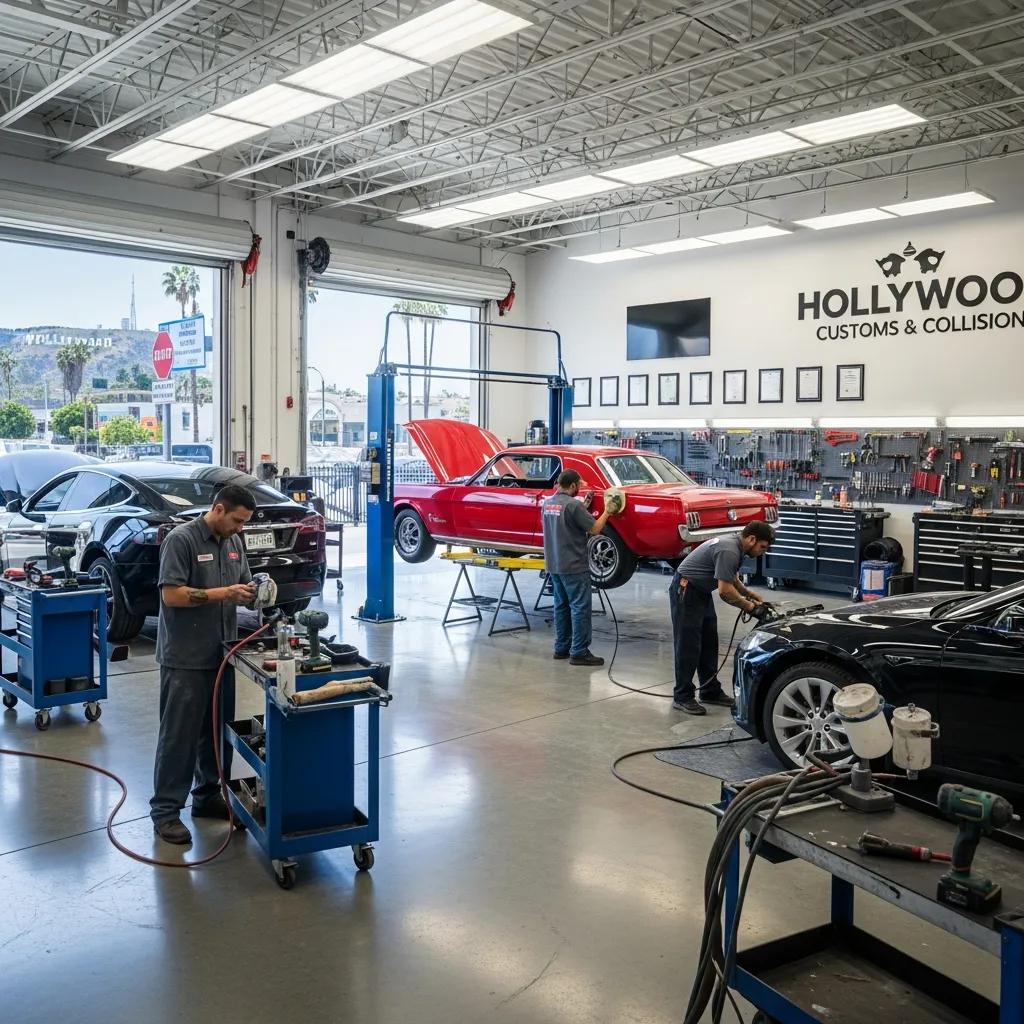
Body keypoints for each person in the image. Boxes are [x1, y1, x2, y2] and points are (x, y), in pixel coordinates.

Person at [150, 484, 258, 844]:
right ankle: (165, 812)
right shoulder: (182, 541)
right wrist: (224, 594)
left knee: (214, 733)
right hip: (186, 658)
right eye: (237, 521)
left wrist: (255, 590)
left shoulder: (233, 543)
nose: (240, 529)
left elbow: (242, 582)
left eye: (244, 523)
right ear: (218, 508)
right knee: (178, 738)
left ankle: (208, 795)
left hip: (222, 653)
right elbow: (172, 595)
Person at [670, 520, 775, 715]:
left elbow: (730, 577)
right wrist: (752, 608)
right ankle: (682, 696)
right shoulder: (729, 549)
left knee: (709, 642)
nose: (763, 552)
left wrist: (749, 594)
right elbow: (725, 591)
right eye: (762, 547)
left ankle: (710, 691)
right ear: (752, 539)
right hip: (686, 589)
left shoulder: (736, 546)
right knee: (688, 645)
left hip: (700, 591)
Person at [541, 469, 623, 666]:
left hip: (554, 565)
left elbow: (563, 525)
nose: (580, 488)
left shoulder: (547, 503)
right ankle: (579, 651)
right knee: (580, 608)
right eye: (579, 485)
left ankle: (561, 648)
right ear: (573, 486)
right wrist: (607, 512)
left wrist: (583, 508)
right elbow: (595, 529)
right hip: (574, 566)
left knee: (561, 606)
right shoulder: (573, 506)